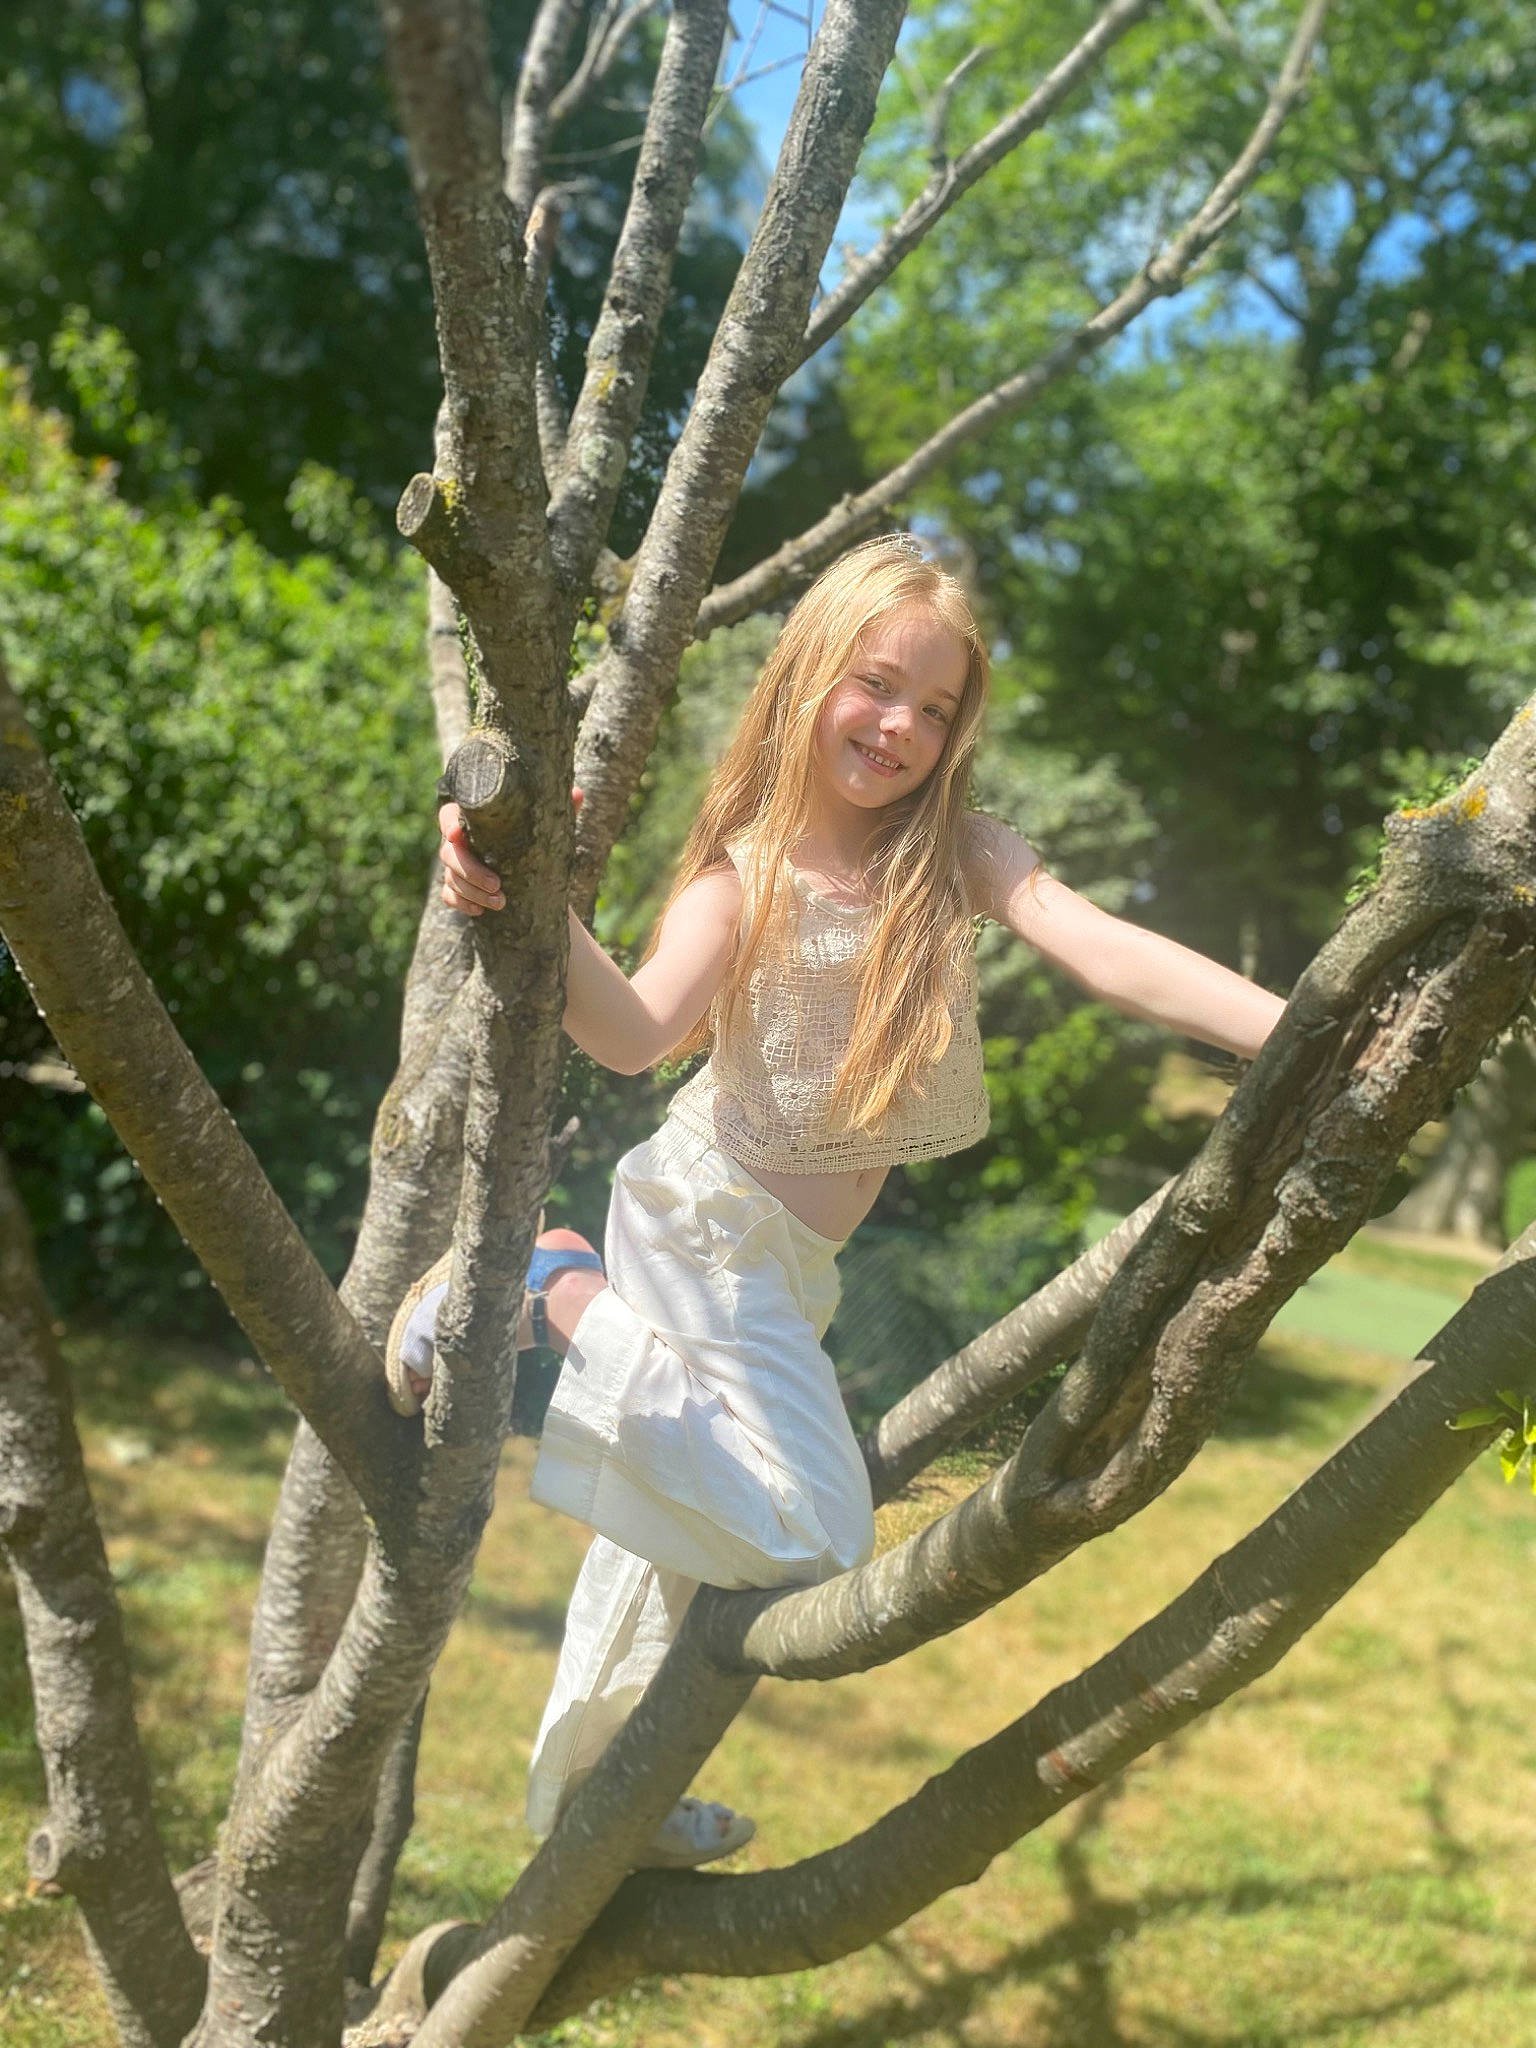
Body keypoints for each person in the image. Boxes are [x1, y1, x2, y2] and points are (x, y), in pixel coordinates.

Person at [388, 534, 1286, 1868]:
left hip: (781, 1269)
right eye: (877, 686)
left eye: (935, 710)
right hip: (706, 1225)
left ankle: (597, 1803)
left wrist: (1301, 1032)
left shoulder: (955, 859)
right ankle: (542, 1276)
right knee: (809, 1535)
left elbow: (1105, 950)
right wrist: (514, 894)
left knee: (658, 1550)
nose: (902, 728)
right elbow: (633, 1034)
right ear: (810, 675)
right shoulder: (749, 874)